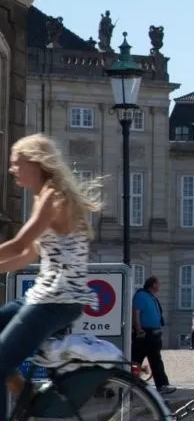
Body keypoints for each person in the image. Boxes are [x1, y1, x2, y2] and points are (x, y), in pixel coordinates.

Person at [0, 134, 104, 400]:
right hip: (42, 296)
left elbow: (19, 243)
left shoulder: (53, 196)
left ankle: (30, 399)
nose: (12, 169)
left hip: (57, 300)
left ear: (36, 163)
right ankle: (26, 397)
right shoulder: (43, 197)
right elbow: (26, 255)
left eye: (16, 163)